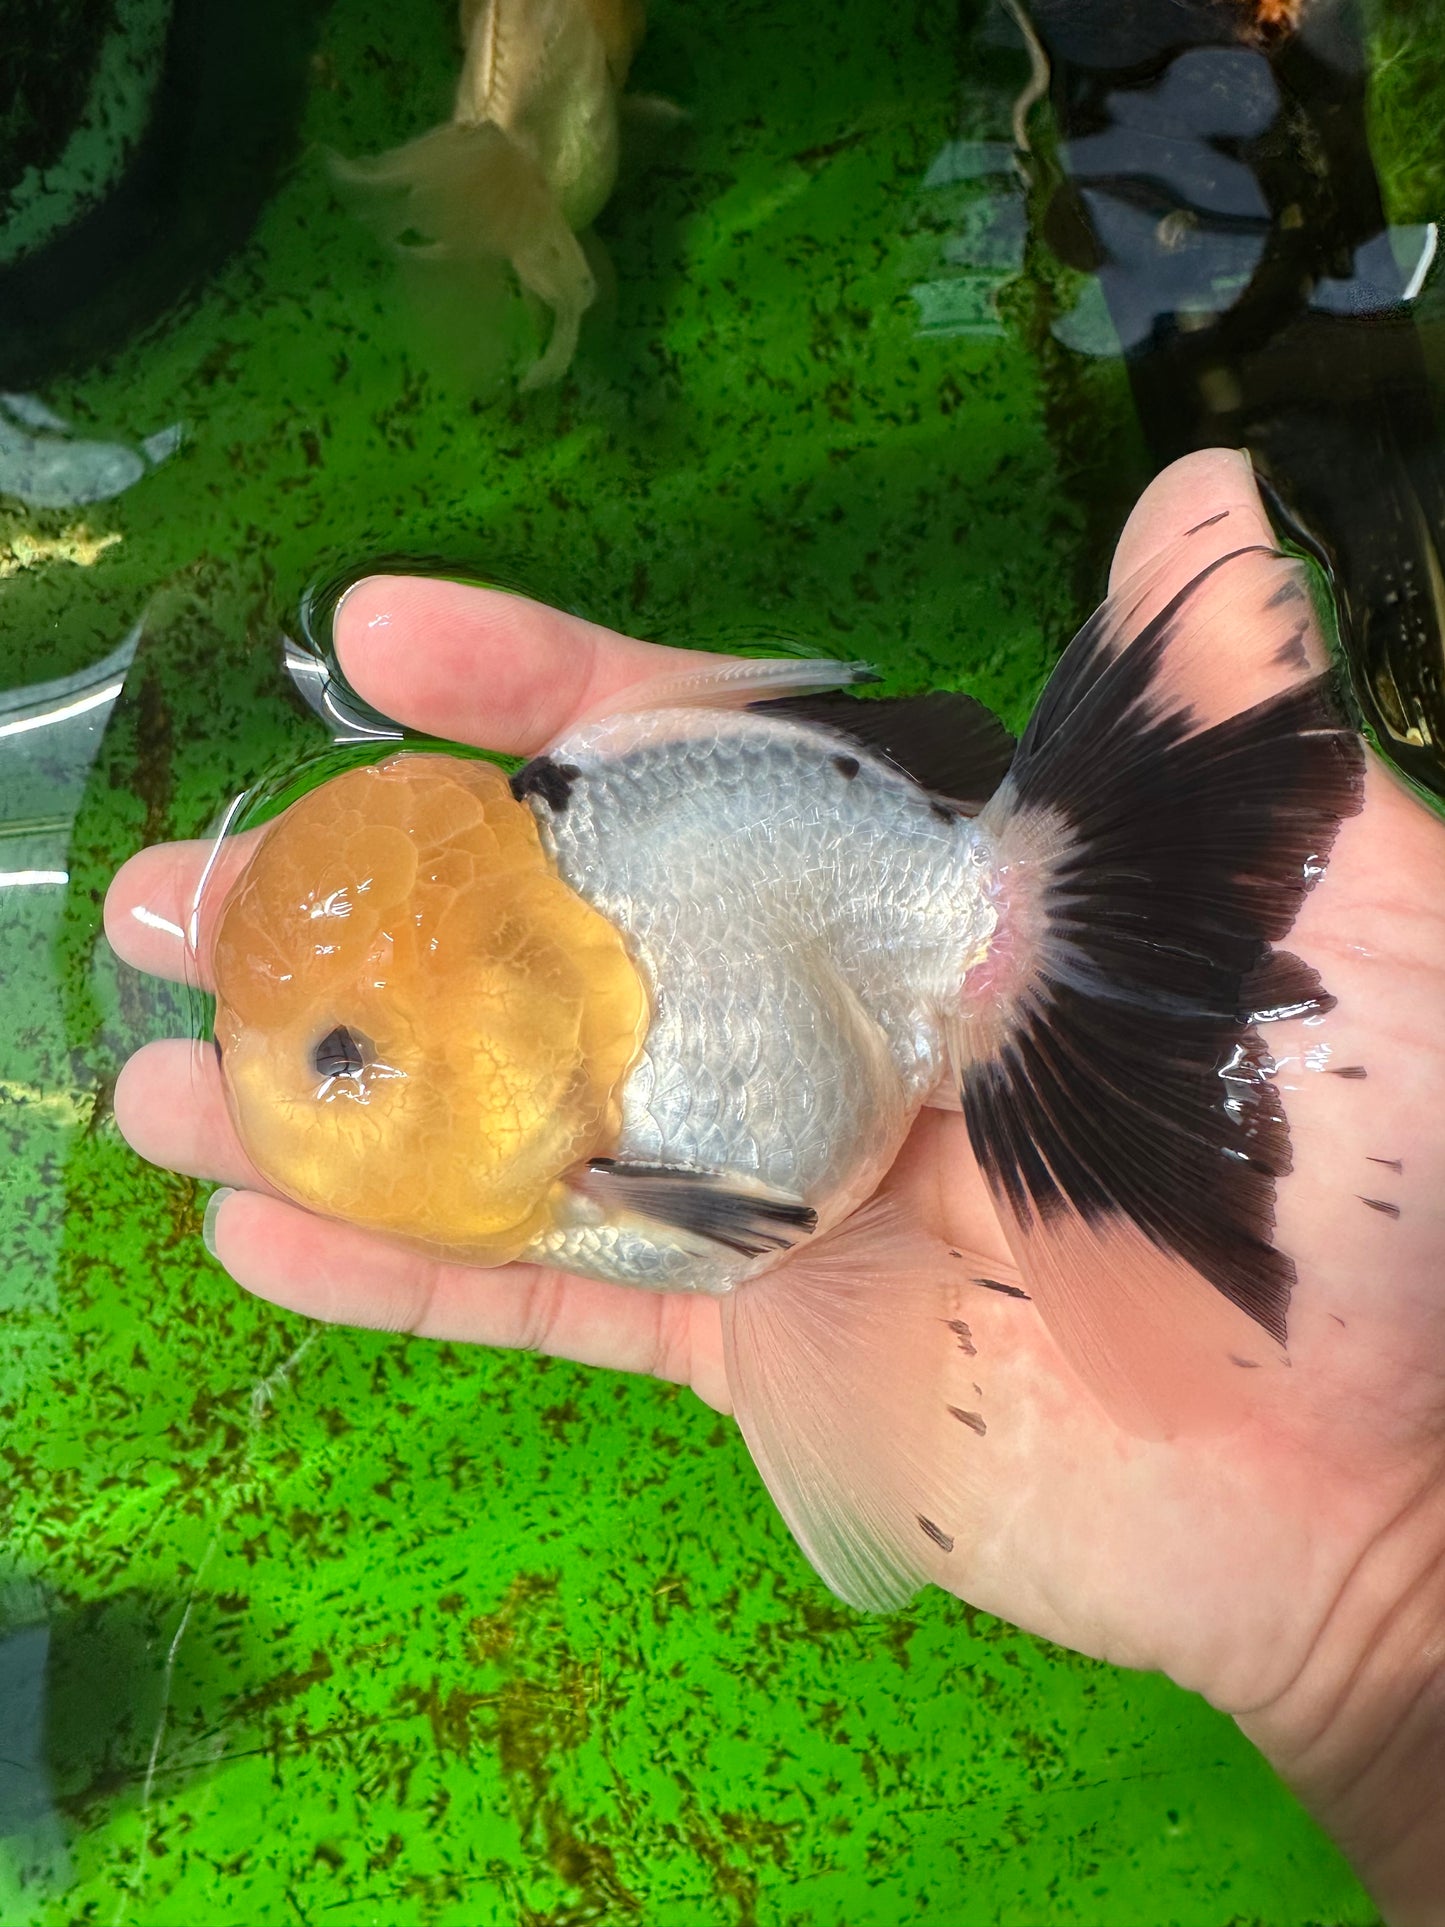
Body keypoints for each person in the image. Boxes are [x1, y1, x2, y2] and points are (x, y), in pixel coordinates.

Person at [104, 449, 1445, 1923]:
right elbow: (765, 1244)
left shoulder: (614, 1155)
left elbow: (752, 1236)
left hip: (883, 902)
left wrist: (1389, 1594)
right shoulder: (584, 1120)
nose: (299, 1083)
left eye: (345, 1052)